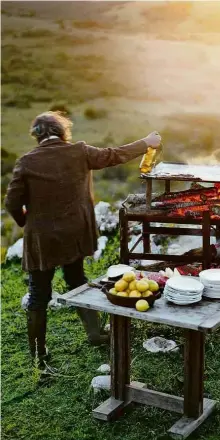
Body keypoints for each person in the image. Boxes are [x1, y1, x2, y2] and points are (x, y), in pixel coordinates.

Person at [5, 111, 161, 365]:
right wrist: (146, 142)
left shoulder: (26, 162)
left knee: (38, 294)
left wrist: (28, 223)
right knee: (76, 279)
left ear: (37, 136)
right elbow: (114, 155)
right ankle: (96, 333)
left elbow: (12, 203)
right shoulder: (80, 151)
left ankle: (38, 356)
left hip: (43, 240)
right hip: (75, 234)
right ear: (62, 131)